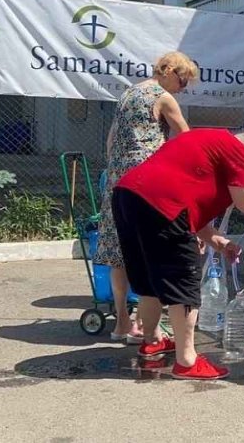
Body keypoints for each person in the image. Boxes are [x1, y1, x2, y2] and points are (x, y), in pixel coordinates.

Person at [113, 129, 244, 380]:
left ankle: (152, 341)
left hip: (128, 195)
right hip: (164, 202)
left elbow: (190, 211)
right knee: (184, 280)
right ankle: (186, 361)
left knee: (148, 279)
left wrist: (220, 242)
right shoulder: (237, 149)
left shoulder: (206, 142)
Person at [95, 51, 197, 345]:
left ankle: (122, 324)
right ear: (168, 70)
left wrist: (116, 167)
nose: (184, 87)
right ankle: (147, 323)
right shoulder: (162, 97)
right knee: (150, 249)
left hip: (118, 177)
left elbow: (112, 138)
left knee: (119, 250)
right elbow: (186, 137)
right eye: (183, 79)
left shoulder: (128, 93)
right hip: (148, 179)